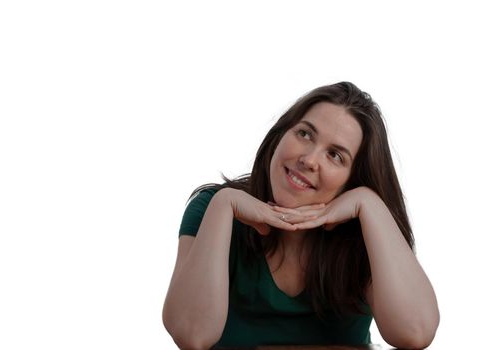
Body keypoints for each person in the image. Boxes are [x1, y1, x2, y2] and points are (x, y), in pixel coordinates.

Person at [162, 82, 439, 349]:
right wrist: (223, 205)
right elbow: (192, 336)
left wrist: (370, 204)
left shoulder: (363, 229)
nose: (309, 159)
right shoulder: (211, 208)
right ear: (280, 135)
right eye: (305, 134)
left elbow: (415, 333)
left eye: (335, 155)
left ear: (352, 181)